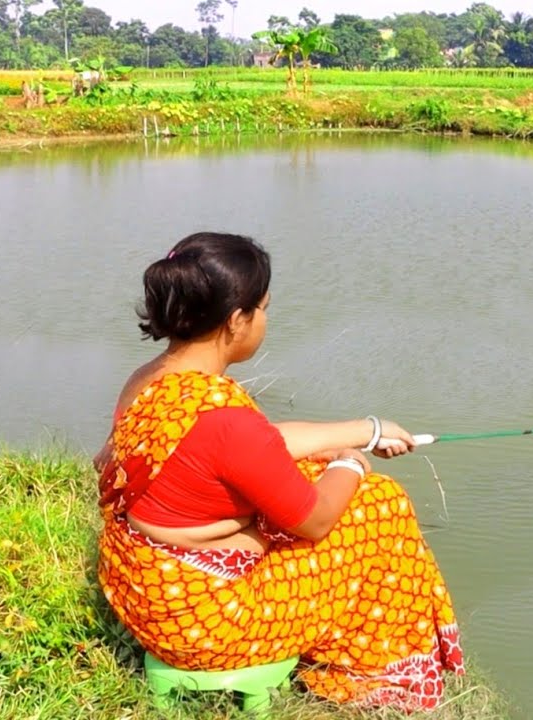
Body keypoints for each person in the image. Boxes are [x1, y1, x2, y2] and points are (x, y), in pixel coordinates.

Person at [93, 232, 464, 711]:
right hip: (203, 627)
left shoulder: (152, 380)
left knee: (319, 473)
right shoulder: (224, 418)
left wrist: (365, 430)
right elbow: (314, 520)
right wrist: (352, 462)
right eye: (263, 308)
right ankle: (383, 682)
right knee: (379, 506)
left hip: (142, 593)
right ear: (236, 320)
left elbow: (257, 445)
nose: (265, 320)